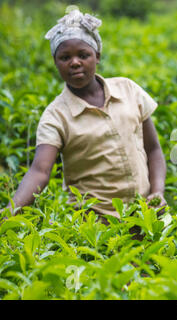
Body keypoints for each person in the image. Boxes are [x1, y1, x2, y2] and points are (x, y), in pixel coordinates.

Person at [2, 8, 167, 226]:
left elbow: (153, 149)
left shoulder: (129, 90)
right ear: (55, 62)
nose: (75, 62)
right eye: (65, 57)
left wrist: (157, 192)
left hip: (147, 217)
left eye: (83, 55)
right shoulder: (56, 116)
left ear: (97, 56)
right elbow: (40, 172)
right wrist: (9, 213)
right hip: (95, 227)